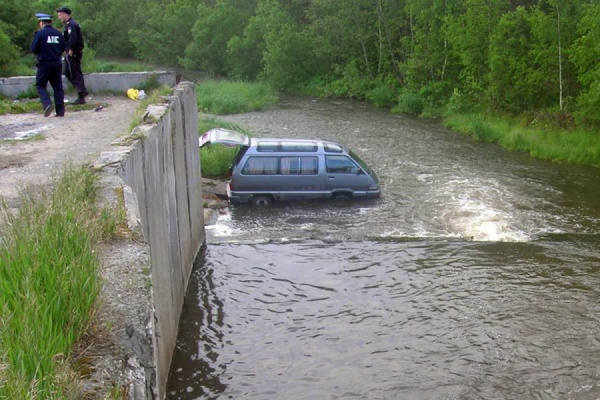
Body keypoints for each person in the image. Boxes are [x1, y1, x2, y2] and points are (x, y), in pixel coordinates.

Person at [30, 13, 65, 117]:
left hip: (44, 63)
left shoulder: (40, 33)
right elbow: (63, 47)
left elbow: (34, 48)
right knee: (57, 87)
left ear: (41, 23)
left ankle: (47, 104)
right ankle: (60, 111)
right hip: (57, 63)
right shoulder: (58, 33)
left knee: (40, 85)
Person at [56, 6, 88, 104]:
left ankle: (81, 95)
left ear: (65, 14)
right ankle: (81, 90)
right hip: (69, 52)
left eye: (60, 14)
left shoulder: (72, 25)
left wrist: (71, 50)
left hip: (73, 53)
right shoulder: (68, 25)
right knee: (67, 72)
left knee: (75, 73)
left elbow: (73, 39)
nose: (59, 16)